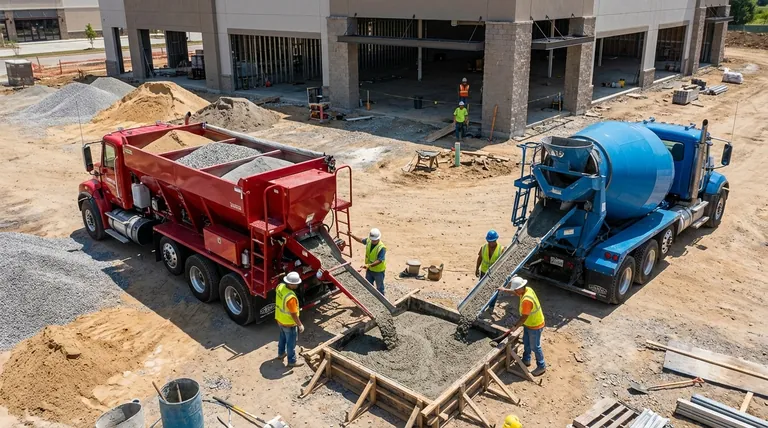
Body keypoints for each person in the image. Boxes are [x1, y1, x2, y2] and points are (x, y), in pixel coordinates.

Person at [497, 276, 546, 376]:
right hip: (529, 324)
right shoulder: (526, 289)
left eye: (515, 290)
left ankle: (541, 366)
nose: (515, 292)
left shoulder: (527, 300)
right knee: (526, 342)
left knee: (535, 346)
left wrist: (515, 326)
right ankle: (526, 360)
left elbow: (524, 317)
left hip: (535, 325)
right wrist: (505, 290)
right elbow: (516, 292)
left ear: (519, 288)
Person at [275, 271, 305, 367]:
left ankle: (281, 353)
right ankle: (292, 361)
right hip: (289, 323)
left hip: (280, 320)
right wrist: (300, 325)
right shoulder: (290, 298)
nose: (297, 285)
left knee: (282, 338)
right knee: (291, 343)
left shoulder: (280, 287)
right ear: (291, 284)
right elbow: (293, 314)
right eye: (296, 284)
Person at [351, 228, 387, 295]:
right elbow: (361, 240)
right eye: (372, 240)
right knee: (368, 286)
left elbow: (380, 260)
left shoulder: (381, 248)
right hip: (370, 270)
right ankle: (370, 299)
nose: (373, 241)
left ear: (378, 238)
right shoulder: (369, 241)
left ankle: (382, 302)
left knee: (379, 288)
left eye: (374, 240)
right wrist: (352, 235)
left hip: (378, 271)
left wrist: (368, 265)